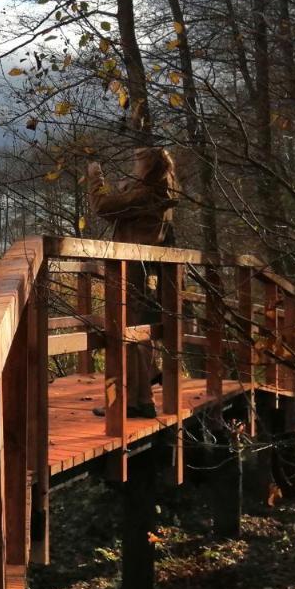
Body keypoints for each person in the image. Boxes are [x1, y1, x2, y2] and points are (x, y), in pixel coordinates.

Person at [87, 146, 179, 419]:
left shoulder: (150, 192)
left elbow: (102, 206)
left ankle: (133, 400)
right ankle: (142, 398)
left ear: (149, 165)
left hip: (131, 269)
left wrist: (95, 176)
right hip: (143, 269)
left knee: (125, 331)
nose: (133, 165)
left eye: (138, 161)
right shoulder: (161, 190)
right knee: (136, 332)